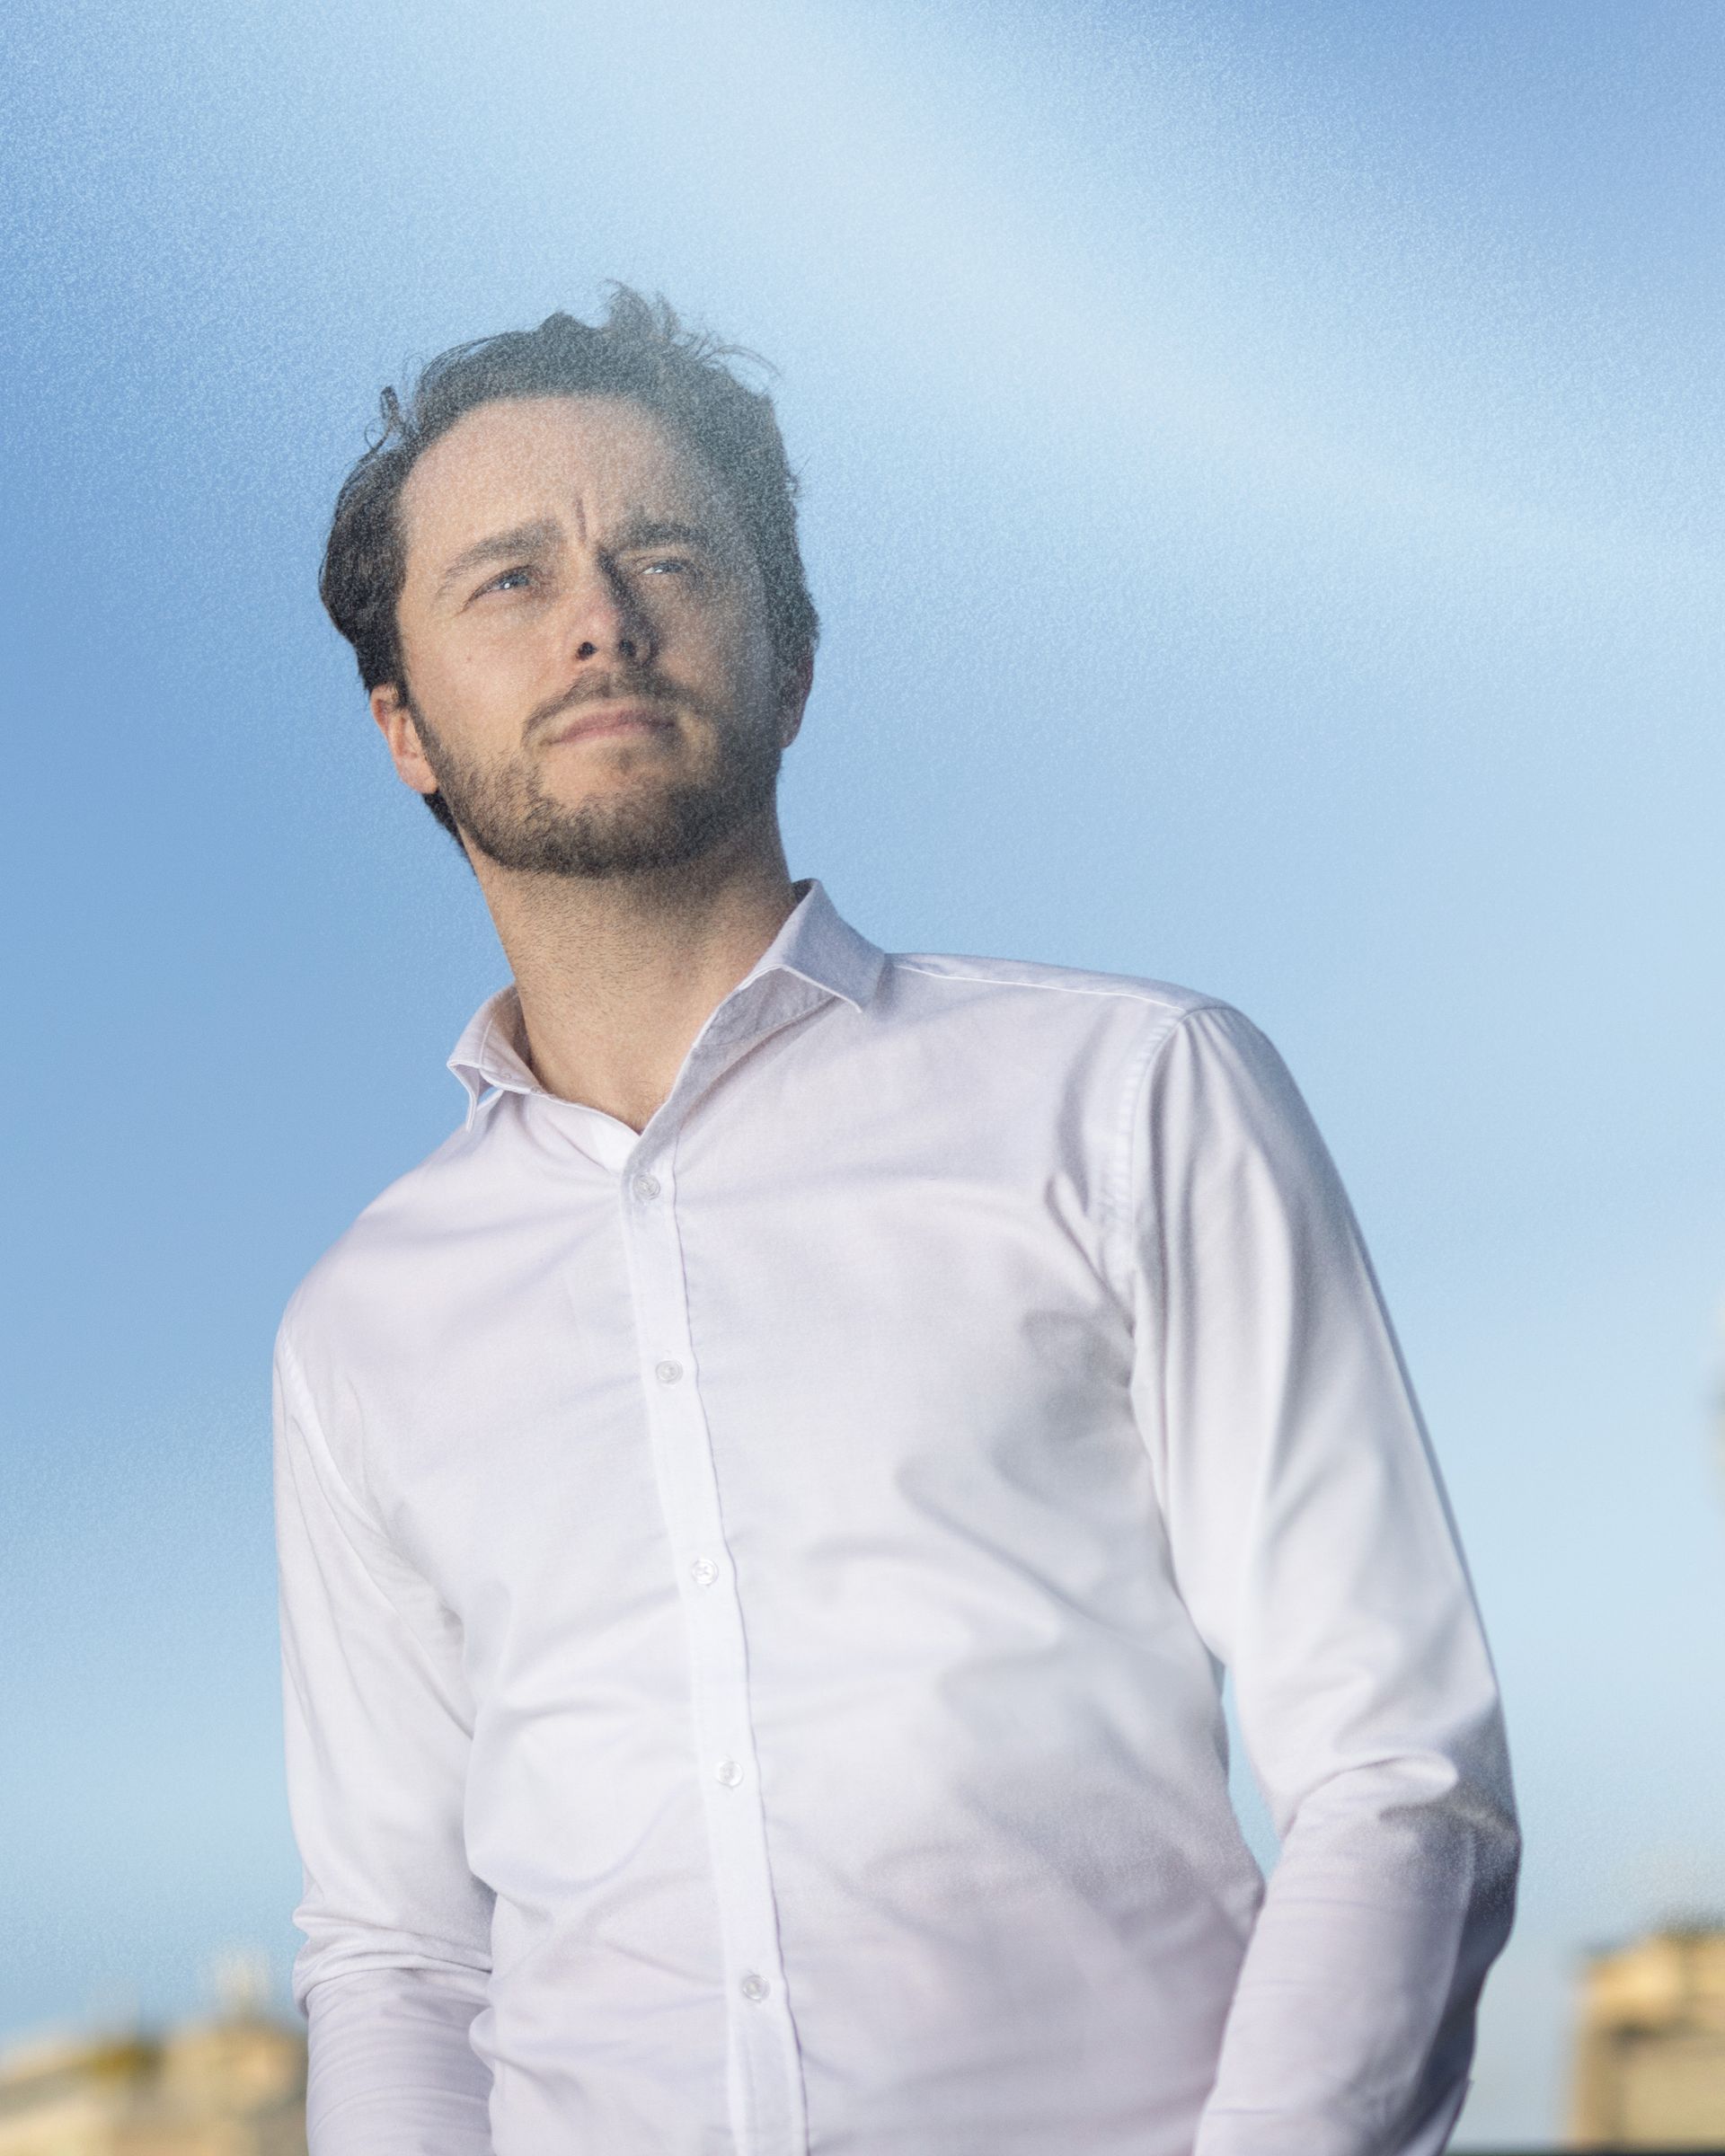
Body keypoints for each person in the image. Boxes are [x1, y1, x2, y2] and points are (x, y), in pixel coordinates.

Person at [275, 287, 1518, 2156]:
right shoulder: (359, 1330)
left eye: (668, 554)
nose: (602, 614)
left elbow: (1398, 1775)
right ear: (404, 731)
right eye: (510, 579)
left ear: (790, 665)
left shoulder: (1132, 1095)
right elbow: (396, 1961)